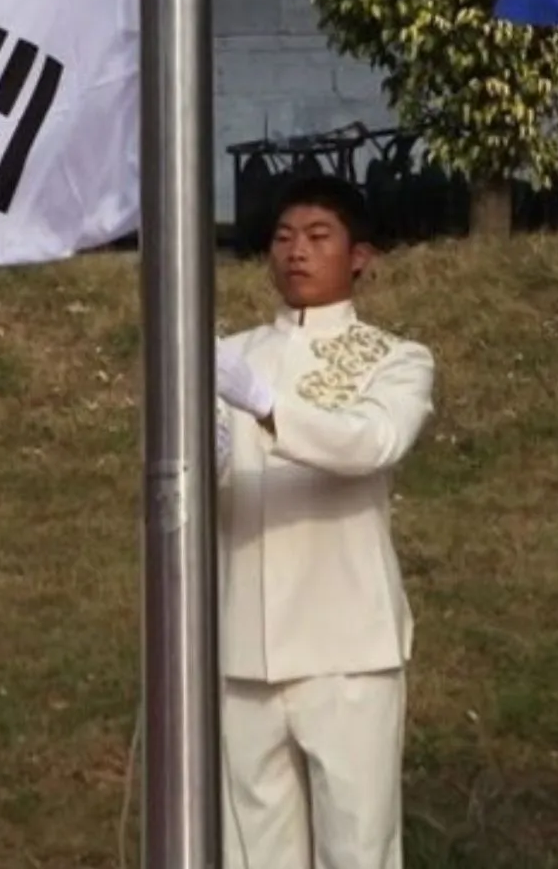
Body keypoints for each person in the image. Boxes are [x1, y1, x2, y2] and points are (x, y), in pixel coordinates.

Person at [210, 173, 436, 869]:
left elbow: (372, 443)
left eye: (316, 237)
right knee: (251, 855)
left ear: (359, 256)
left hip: (346, 649)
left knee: (357, 852)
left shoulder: (395, 359)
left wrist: (266, 405)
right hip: (242, 645)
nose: (296, 252)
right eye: (283, 238)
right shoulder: (229, 355)